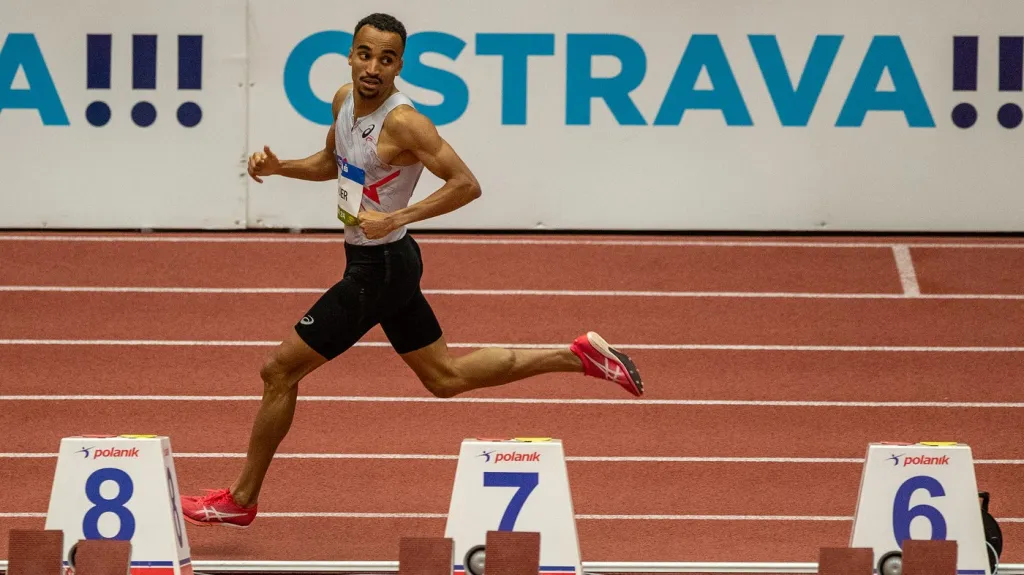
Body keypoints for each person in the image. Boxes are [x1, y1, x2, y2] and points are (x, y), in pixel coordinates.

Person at [180, 12, 644, 529]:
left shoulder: (405, 122)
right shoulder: (343, 100)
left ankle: (242, 499)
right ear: (350, 55)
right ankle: (577, 356)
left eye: (386, 59)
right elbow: (335, 162)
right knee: (445, 378)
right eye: (365, 54)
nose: (373, 67)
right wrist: (280, 166)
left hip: (380, 267)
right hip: (383, 261)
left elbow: (466, 184)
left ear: (399, 65)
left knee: (279, 371)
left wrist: (396, 217)